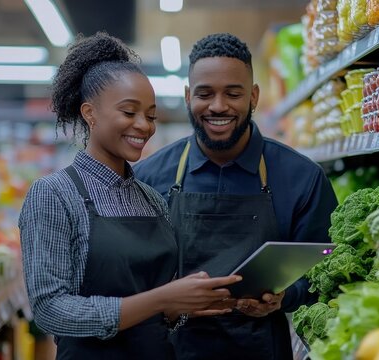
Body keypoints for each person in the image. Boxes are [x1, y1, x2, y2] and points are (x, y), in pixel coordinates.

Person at [18, 32, 241, 360]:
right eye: (129, 112)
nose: (144, 126)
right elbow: (51, 310)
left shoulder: (150, 199)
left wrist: (183, 306)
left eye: (150, 116)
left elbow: (156, 308)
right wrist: (161, 299)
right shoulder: (54, 194)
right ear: (89, 114)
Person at [133, 33, 338, 360]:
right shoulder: (147, 178)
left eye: (233, 93)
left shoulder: (302, 178)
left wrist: (285, 296)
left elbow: (326, 276)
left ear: (254, 97)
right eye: (205, 93)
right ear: (188, 97)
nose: (218, 106)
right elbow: (131, 280)